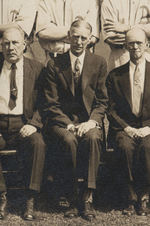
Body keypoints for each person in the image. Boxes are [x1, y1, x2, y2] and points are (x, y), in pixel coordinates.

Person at [40, 18, 107, 220]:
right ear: (68, 36)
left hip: (89, 121)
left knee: (93, 138)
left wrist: (91, 122)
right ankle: (71, 195)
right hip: (62, 121)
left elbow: (102, 101)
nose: (78, 41)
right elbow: (51, 103)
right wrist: (68, 124)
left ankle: (87, 196)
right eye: (75, 37)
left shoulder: (99, 62)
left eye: (83, 38)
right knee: (68, 140)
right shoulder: (54, 64)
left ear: (90, 40)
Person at [0, 27, 46, 221]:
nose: (11, 48)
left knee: (38, 144)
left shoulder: (37, 68)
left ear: (25, 44)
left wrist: (34, 123)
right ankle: (1, 196)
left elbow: (46, 103)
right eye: (6, 43)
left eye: (15, 43)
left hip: (24, 123)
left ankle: (30, 197)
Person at [106, 27, 150, 216]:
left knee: (147, 147)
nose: (135, 47)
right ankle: (130, 197)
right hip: (124, 127)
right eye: (130, 43)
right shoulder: (115, 76)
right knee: (125, 147)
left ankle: (145, 196)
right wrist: (127, 128)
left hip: (149, 128)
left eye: (139, 42)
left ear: (147, 45)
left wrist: (149, 128)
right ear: (125, 46)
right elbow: (110, 109)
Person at [101, 0, 150, 72]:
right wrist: (143, 35)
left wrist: (128, 27)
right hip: (120, 58)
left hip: (147, 56)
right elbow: (111, 37)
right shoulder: (109, 2)